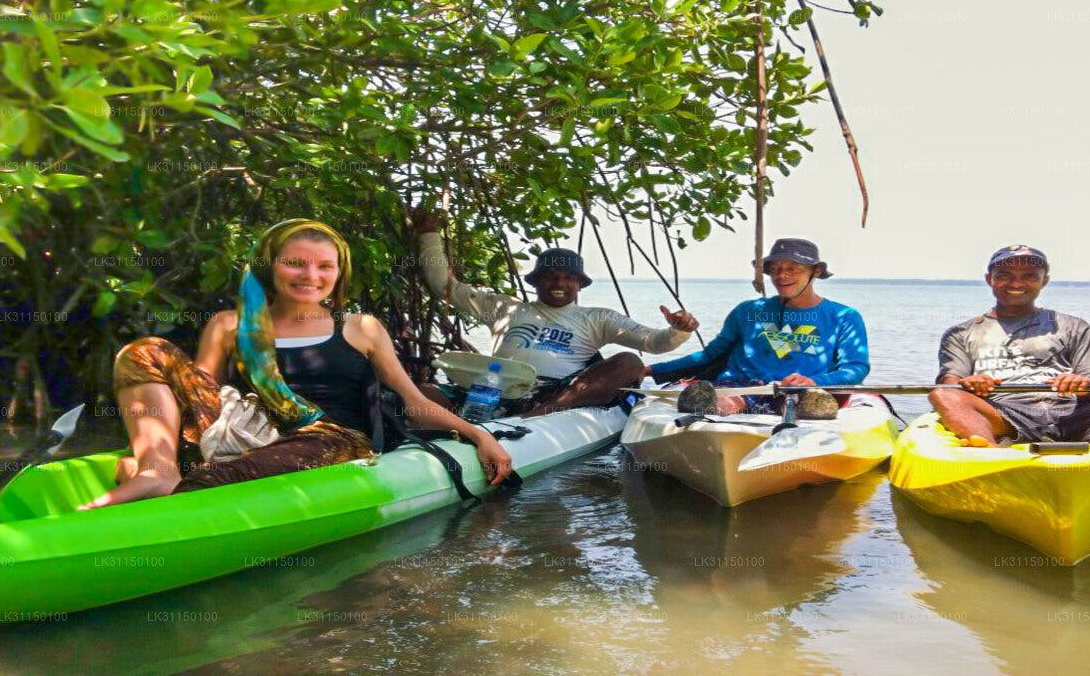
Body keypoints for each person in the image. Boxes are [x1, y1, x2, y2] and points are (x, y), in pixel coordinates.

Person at [80, 219, 513, 509]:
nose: (311, 275)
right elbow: (200, 400)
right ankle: (156, 471)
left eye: (326, 266)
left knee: (220, 481)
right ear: (271, 266)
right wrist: (163, 447)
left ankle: (183, 489)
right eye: (296, 263)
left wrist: (479, 435)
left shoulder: (359, 327)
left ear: (339, 273)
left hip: (332, 440)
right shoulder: (230, 324)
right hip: (251, 429)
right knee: (144, 350)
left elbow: (413, 402)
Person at [410, 207, 698, 417]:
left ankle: (543, 414)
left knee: (628, 362)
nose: (559, 283)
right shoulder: (503, 308)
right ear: (535, 281)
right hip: (489, 390)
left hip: (553, 395)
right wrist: (428, 234)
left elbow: (653, 343)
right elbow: (442, 286)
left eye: (568, 277)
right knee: (420, 392)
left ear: (580, 284)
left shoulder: (597, 318)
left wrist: (679, 330)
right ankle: (442, 433)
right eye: (550, 276)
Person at [930, 245, 1090, 448]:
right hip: (1004, 412)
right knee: (943, 395)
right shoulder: (961, 333)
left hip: (1074, 411)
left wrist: (1082, 384)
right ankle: (986, 451)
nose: (1017, 283)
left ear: (1044, 281)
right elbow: (949, 384)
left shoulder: (1073, 326)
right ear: (989, 280)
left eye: (1029, 276)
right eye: (1005, 276)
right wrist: (971, 384)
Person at [648, 238, 869, 415]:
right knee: (728, 400)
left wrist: (814, 381)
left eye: (793, 268)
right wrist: (651, 370)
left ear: (816, 272)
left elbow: (856, 367)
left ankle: (805, 414)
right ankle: (705, 409)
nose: (782, 276)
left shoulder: (844, 317)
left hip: (798, 390)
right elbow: (710, 355)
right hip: (742, 387)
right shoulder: (748, 311)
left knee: (802, 402)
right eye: (775, 269)